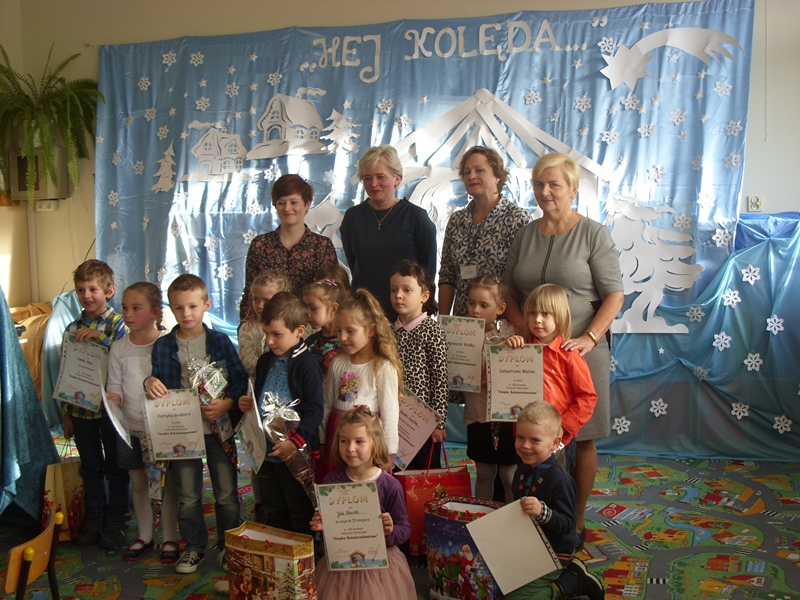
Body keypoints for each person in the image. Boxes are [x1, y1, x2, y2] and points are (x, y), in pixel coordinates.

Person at [504, 152, 624, 541]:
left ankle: (575, 518)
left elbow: (615, 295)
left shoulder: (593, 234)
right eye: (539, 184)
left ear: (573, 189)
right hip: (533, 355)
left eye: (554, 184)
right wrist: (523, 330)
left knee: (581, 438)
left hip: (580, 354)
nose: (545, 191)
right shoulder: (525, 235)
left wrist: (590, 338)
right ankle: (533, 516)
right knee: (532, 436)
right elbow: (509, 290)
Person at [145, 274, 248, 574]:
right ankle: (194, 546)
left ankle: (229, 546)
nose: (186, 313)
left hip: (218, 427)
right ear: (171, 309)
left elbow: (239, 378)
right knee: (188, 496)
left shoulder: (219, 341)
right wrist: (149, 381)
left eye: (192, 306)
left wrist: (228, 403)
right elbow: (157, 381)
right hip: (181, 432)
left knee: (226, 493)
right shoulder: (163, 346)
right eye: (179, 308)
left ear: (207, 305)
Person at [238, 292, 324, 537]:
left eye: (277, 334)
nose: (270, 341)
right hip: (266, 452)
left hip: (294, 455)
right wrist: (247, 403)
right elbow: (260, 397)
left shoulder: (307, 364)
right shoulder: (265, 360)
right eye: (266, 334)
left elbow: (315, 411)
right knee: (273, 508)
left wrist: (294, 443)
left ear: (299, 331)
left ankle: (304, 556)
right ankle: (280, 554)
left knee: (299, 510)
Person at [106, 282, 179, 563]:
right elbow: (115, 384)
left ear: (155, 312)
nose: (128, 314)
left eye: (136, 308)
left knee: (166, 484)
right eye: (125, 307)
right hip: (130, 428)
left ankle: (169, 536)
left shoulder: (166, 344)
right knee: (138, 482)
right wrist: (113, 397)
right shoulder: (118, 348)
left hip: (160, 429)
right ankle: (145, 535)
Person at [311, 408, 416, 600]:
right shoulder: (331, 482)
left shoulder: (389, 485)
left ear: (375, 443)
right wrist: (324, 525)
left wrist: (389, 532)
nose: (350, 448)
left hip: (380, 570)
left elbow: (405, 528)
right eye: (344, 441)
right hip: (340, 566)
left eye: (359, 441)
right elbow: (333, 529)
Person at [61, 259, 130, 549]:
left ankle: (117, 516)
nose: (86, 295)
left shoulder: (120, 325)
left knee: (116, 465)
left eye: (93, 289)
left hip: (111, 410)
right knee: (90, 466)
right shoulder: (71, 328)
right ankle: (94, 515)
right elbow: (66, 373)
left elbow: (127, 360)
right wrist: (66, 413)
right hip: (80, 409)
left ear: (109, 291)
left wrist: (102, 339)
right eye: (81, 290)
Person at [504, 402, 604, 600]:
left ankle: (571, 581)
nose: (525, 445)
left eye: (535, 440)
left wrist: (543, 512)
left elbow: (568, 524)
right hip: (530, 546)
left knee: (519, 597)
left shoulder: (560, 480)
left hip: (555, 551)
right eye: (520, 437)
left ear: (555, 443)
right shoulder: (522, 471)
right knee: (494, 581)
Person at [505, 284, 598, 473]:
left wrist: (563, 427)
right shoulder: (520, 350)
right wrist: (508, 349)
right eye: (532, 313)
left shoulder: (569, 355)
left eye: (545, 314)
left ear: (560, 316)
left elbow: (587, 397)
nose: (537, 320)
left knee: (555, 484)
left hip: (557, 439)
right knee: (526, 481)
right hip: (526, 437)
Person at [340, 145, 437, 318]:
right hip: (364, 312)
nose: (373, 183)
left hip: (406, 314)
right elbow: (355, 264)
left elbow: (427, 272)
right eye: (367, 178)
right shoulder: (352, 217)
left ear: (397, 178)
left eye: (380, 177)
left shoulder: (416, 217)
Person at [438, 146, 531, 319]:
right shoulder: (457, 220)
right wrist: (442, 321)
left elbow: (524, 279)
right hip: (462, 325)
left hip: (504, 324)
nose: (471, 176)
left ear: (497, 176)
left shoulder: (517, 219)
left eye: (479, 170)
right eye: (467, 172)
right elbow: (447, 275)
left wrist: (520, 324)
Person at [240, 174, 337, 320]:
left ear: (307, 204)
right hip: (269, 324)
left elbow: (331, 292)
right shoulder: (260, 244)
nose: (287, 208)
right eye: (281, 203)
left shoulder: (322, 246)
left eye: (293, 202)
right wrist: (246, 324)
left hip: (310, 324)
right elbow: (250, 290)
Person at [322, 289, 402, 466]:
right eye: (339, 330)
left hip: (366, 442)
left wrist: (389, 453)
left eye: (350, 331)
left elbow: (389, 413)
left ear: (371, 330)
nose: (343, 337)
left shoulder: (383, 367)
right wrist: (321, 439)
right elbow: (327, 404)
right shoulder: (337, 363)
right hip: (337, 439)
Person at [462, 274, 518, 502]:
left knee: (509, 476)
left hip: (507, 416)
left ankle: (512, 518)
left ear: (500, 309)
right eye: (471, 303)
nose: (475, 310)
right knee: (484, 473)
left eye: (483, 305)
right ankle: (482, 516)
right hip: (478, 415)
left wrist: (516, 345)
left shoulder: (510, 335)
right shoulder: (460, 334)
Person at [389, 260, 448, 469]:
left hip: (424, 423)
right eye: (394, 290)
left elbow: (440, 380)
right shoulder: (388, 331)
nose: (398, 295)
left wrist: (439, 423)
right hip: (394, 417)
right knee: (395, 471)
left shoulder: (433, 331)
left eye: (407, 290)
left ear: (424, 296)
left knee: (423, 474)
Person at [238, 269, 292, 380]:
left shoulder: (292, 325)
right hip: (259, 384)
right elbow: (248, 364)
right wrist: (276, 368)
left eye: (266, 300)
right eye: (256, 300)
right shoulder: (247, 329)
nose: (260, 305)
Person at [303, 277, 347, 376]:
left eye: (313, 308)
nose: (308, 314)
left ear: (333, 308)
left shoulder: (346, 342)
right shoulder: (310, 342)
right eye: (305, 308)